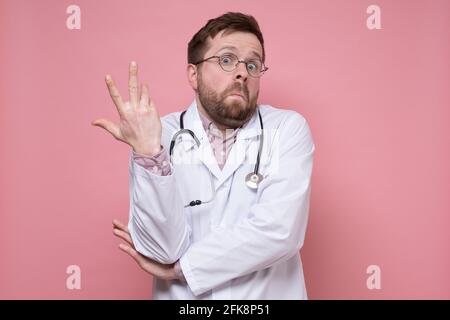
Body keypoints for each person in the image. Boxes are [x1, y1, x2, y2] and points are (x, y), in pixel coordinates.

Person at [92, 12, 315, 299]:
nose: (242, 72)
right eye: (226, 60)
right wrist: (149, 154)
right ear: (193, 75)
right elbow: (162, 250)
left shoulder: (286, 128)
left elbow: (281, 232)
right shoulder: (156, 135)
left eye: (253, 64)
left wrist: (182, 269)